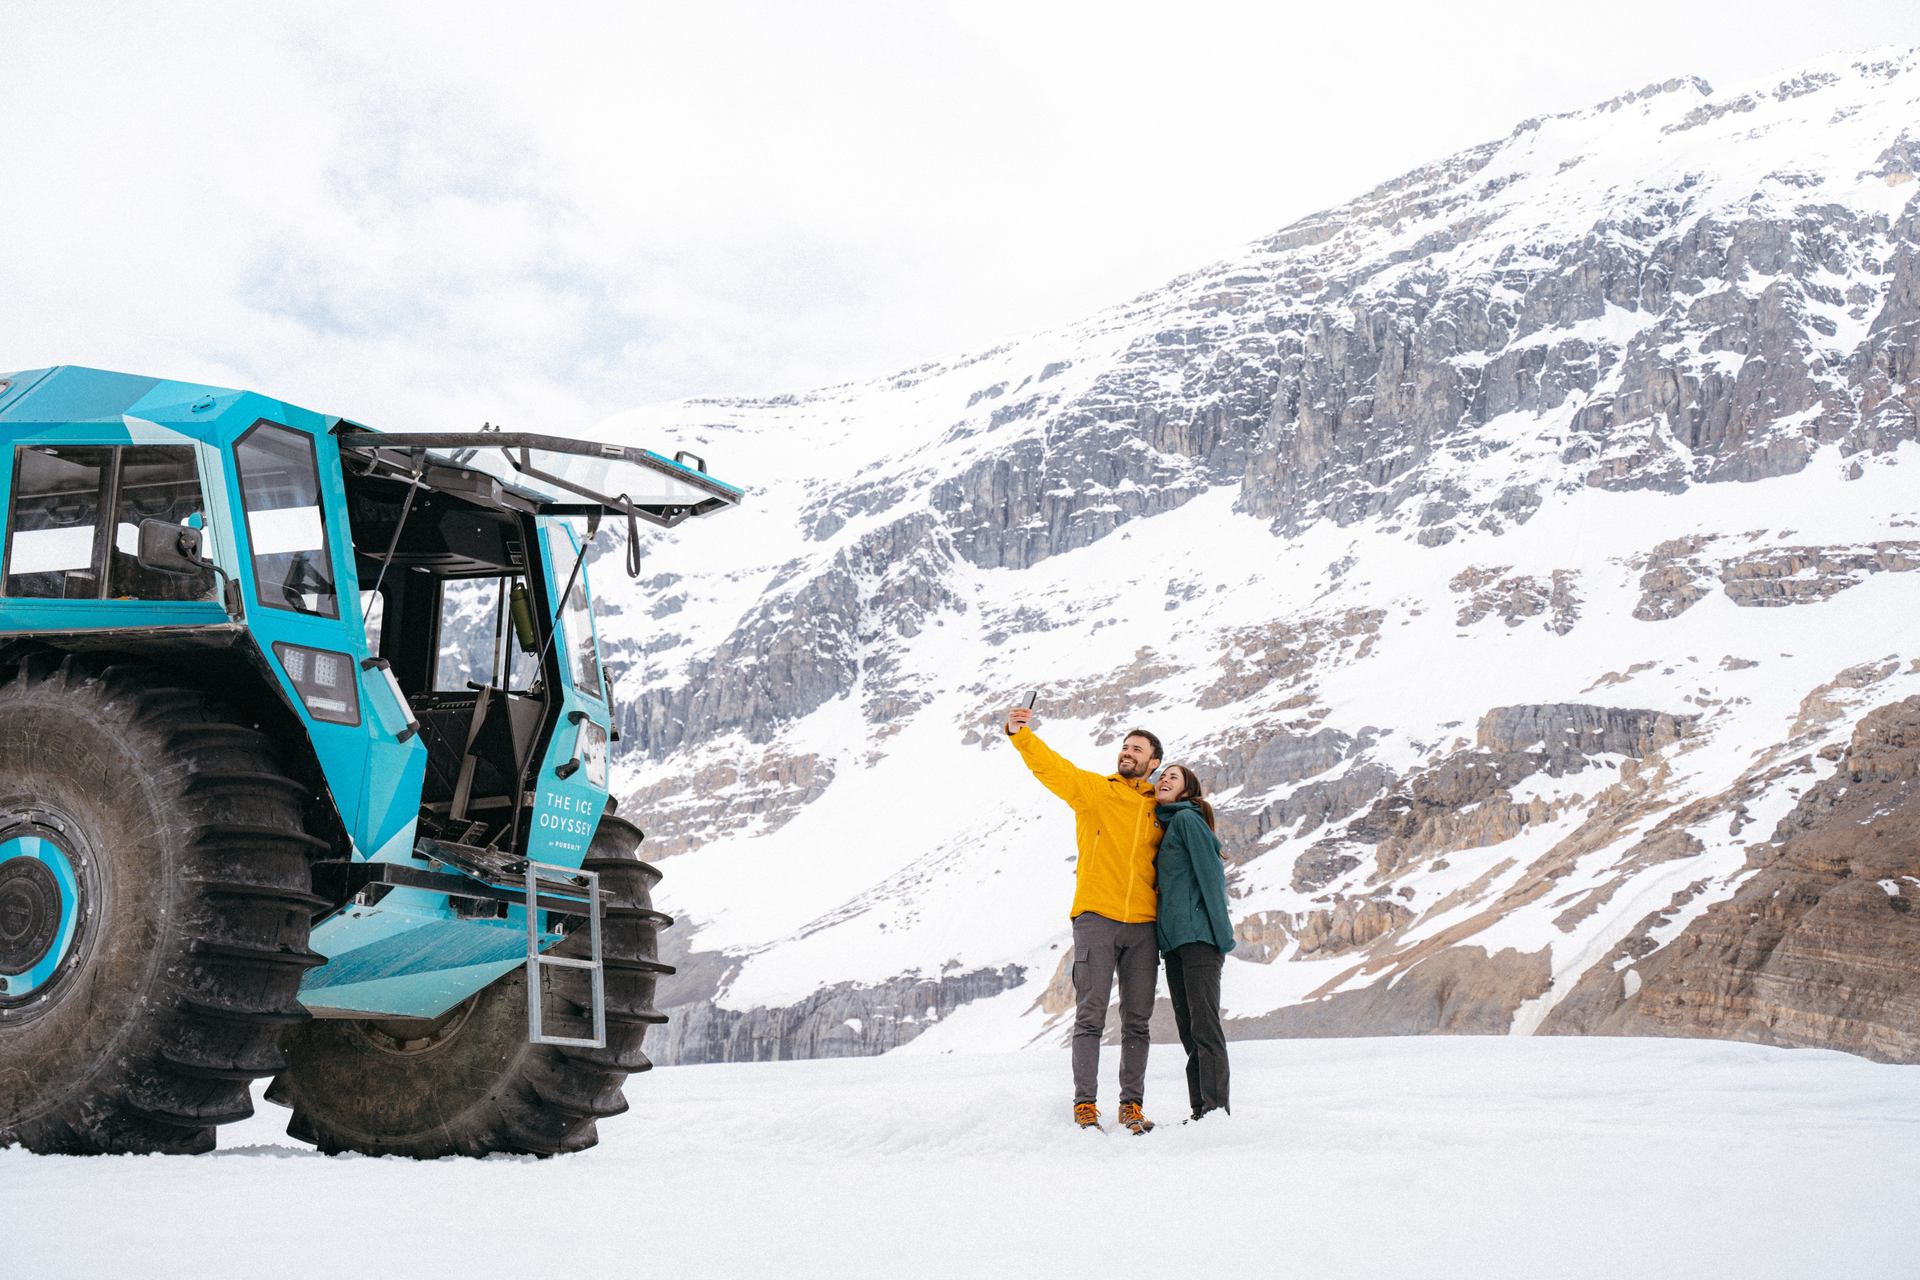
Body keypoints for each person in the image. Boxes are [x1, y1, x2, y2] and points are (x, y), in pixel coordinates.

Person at [1005, 705, 1164, 1134]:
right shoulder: (1096, 791)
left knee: (1137, 1020)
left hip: (1144, 926)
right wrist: (1020, 735)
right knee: (1090, 1015)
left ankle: (1131, 1107)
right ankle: (1085, 1106)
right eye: (1125, 747)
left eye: (1137, 749)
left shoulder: (1161, 809)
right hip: (1097, 918)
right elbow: (1053, 769)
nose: (1127, 752)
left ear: (1153, 762)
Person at [1152, 763, 1234, 1121]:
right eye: (1162, 776)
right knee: (1188, 1030)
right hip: (1175, 944)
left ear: (1186, 791)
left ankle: (1215, 1111)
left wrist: (1222, 938)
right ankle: (1200, 1109)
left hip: (1199, 939)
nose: (1164, 780)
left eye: (1173, 777)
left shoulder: (1187, 820)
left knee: (1205, 1027)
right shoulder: (1169, 826)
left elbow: (1212, 876)